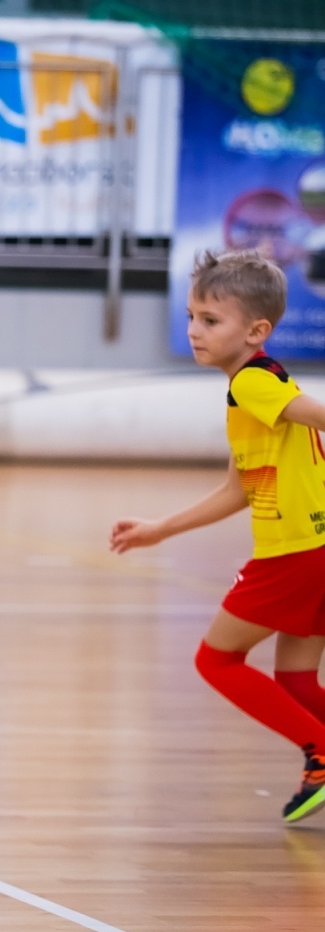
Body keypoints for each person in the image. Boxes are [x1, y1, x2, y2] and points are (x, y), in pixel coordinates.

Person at [111, 249, 325, 824]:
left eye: (210, 320)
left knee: (216, 660)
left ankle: (320, 753)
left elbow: (317, 414)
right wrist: (160, 529)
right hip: (316, 550)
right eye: (191, 317)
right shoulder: (261, 385)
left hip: (294, 554)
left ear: (256, 331)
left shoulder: (253, 383)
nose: (194, 331)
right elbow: (239, 490)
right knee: (296, 680)